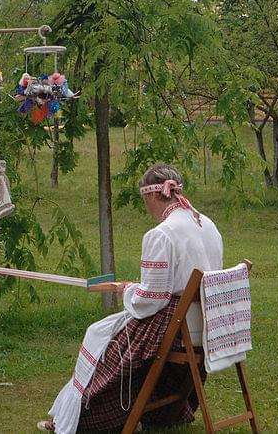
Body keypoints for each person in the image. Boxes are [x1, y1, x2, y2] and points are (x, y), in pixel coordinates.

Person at [39, 163, 223, 433]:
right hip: (207, 325)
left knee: (101, 339)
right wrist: (138, 288)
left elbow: (150, 301)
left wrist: (127, 290)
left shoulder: (161, 234)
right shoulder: (207, 224)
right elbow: (179, 284)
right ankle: (163, 411)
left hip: (177, 328)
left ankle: (82, 421)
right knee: (109, 335)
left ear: (150, 196)